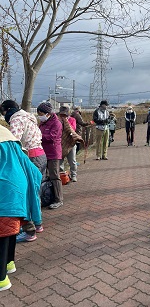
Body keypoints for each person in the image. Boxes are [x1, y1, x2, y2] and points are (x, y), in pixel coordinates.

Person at [0, 125, 42, 291]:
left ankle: (2, 279)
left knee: (2, 233)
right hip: (18, 186)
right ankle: (9, 263)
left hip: (4, 188)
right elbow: (33, 169)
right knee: (10, 231)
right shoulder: (6, 134)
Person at [0, 100, 46, 242]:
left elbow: (14, 141)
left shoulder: (16, 120)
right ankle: (37, 224)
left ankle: (30, 230)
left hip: (29, 157)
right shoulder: (28, 117)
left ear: (7, 110)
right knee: (34, 192)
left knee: (26, 194)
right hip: (40, 155)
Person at [37, 102, 63, 209]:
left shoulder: (56, 123)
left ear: (48, 113)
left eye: (41, 113)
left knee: (54, 176)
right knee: (45, 176)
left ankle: (58, 199)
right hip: (43, 153)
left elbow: (52, 137)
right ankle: (47, 196)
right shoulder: (43, 123)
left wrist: (38, 135)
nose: (40, 116)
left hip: (53, 154)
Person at [58, 106, 78, 182]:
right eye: (62, 114)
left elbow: (73, 129)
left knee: (72, 160)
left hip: (70, 143)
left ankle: (73, 175)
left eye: (65, 114)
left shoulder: (72, 120)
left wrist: (66, 121)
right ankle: (62, 176)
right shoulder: (57, 120)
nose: (64, 116)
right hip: (61, 143)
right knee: (60, 161)